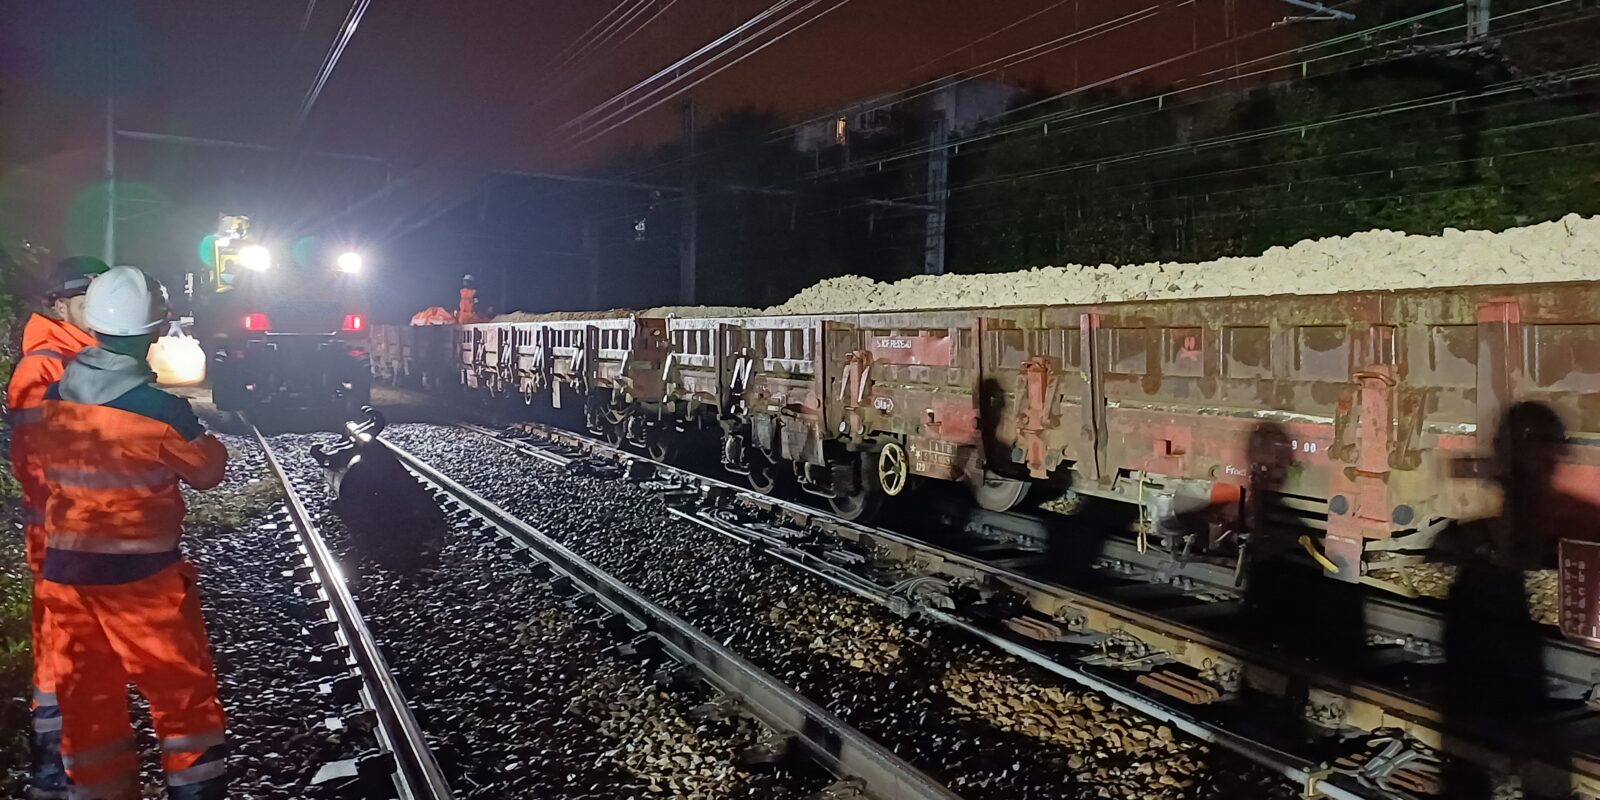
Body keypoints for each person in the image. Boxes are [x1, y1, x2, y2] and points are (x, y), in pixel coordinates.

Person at [31, 265, 230, 800]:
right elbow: (209, 471)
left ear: (91, 327)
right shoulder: (159, 411)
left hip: (67, 578)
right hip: (141, 582)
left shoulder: (52, 398)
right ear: (156, 330)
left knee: (88, 706)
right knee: (181, 703)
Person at [6, 255, 108, 798]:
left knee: (81, 652)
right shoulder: (45, 365)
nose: (95, 310)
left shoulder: (86, 357)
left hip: (85, 532)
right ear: (59, 305)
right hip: (59, 533)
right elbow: (36, 461)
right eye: (84, 300)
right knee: (59, 650)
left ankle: (80, 766)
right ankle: (51, 772)